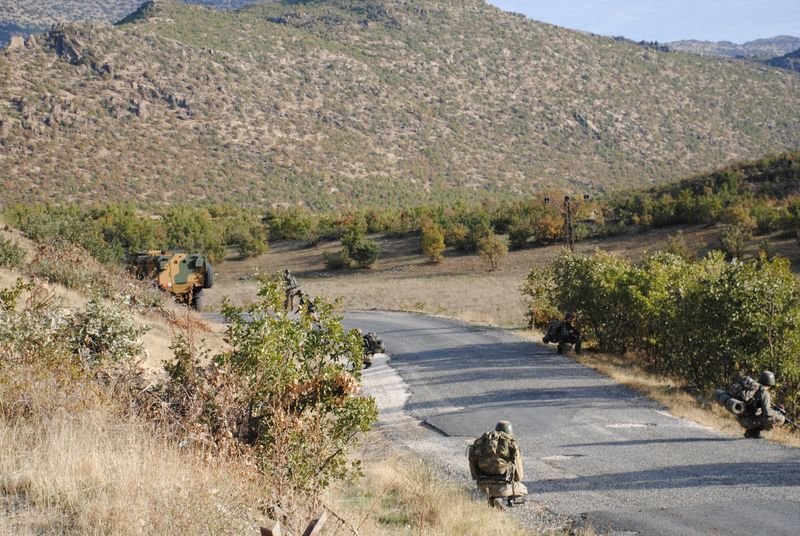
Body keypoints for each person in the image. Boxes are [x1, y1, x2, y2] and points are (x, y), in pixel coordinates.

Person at [467, 421, 528, 508]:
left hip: (483, 486)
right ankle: (503, 499)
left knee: (488, 492)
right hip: (504, 488)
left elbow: (474, 474)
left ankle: (492, 499)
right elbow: (519, 476)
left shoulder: (483, 443)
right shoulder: (511, 444)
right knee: (524, 489)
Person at [736, 370, 785, 439]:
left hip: (742, 419)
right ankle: (752, 431)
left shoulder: (753, 389)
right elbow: (767, 412)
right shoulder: (764, 393)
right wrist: (777, 412)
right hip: (749, 421)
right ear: (770, 383)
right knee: (781, 418)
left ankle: (751, 432)